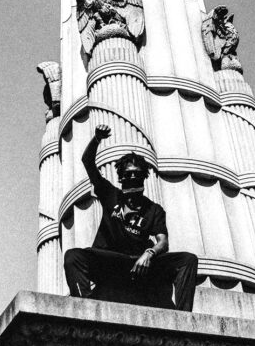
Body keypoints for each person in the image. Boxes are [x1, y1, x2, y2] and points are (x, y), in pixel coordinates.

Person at [63, 124, 198, 311]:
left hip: (137, 264)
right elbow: (87, 161)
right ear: (121, 177)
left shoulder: (154, 209)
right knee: (73, 256)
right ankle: (85, 309)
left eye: (136, 174)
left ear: (143, 177)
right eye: (128, 174)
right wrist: (96, 139)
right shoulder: (110, 194)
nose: (132, 177)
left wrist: (149, 254)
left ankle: (184, 319)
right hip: (110, 262)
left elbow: (163, 242)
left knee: (188, 260)